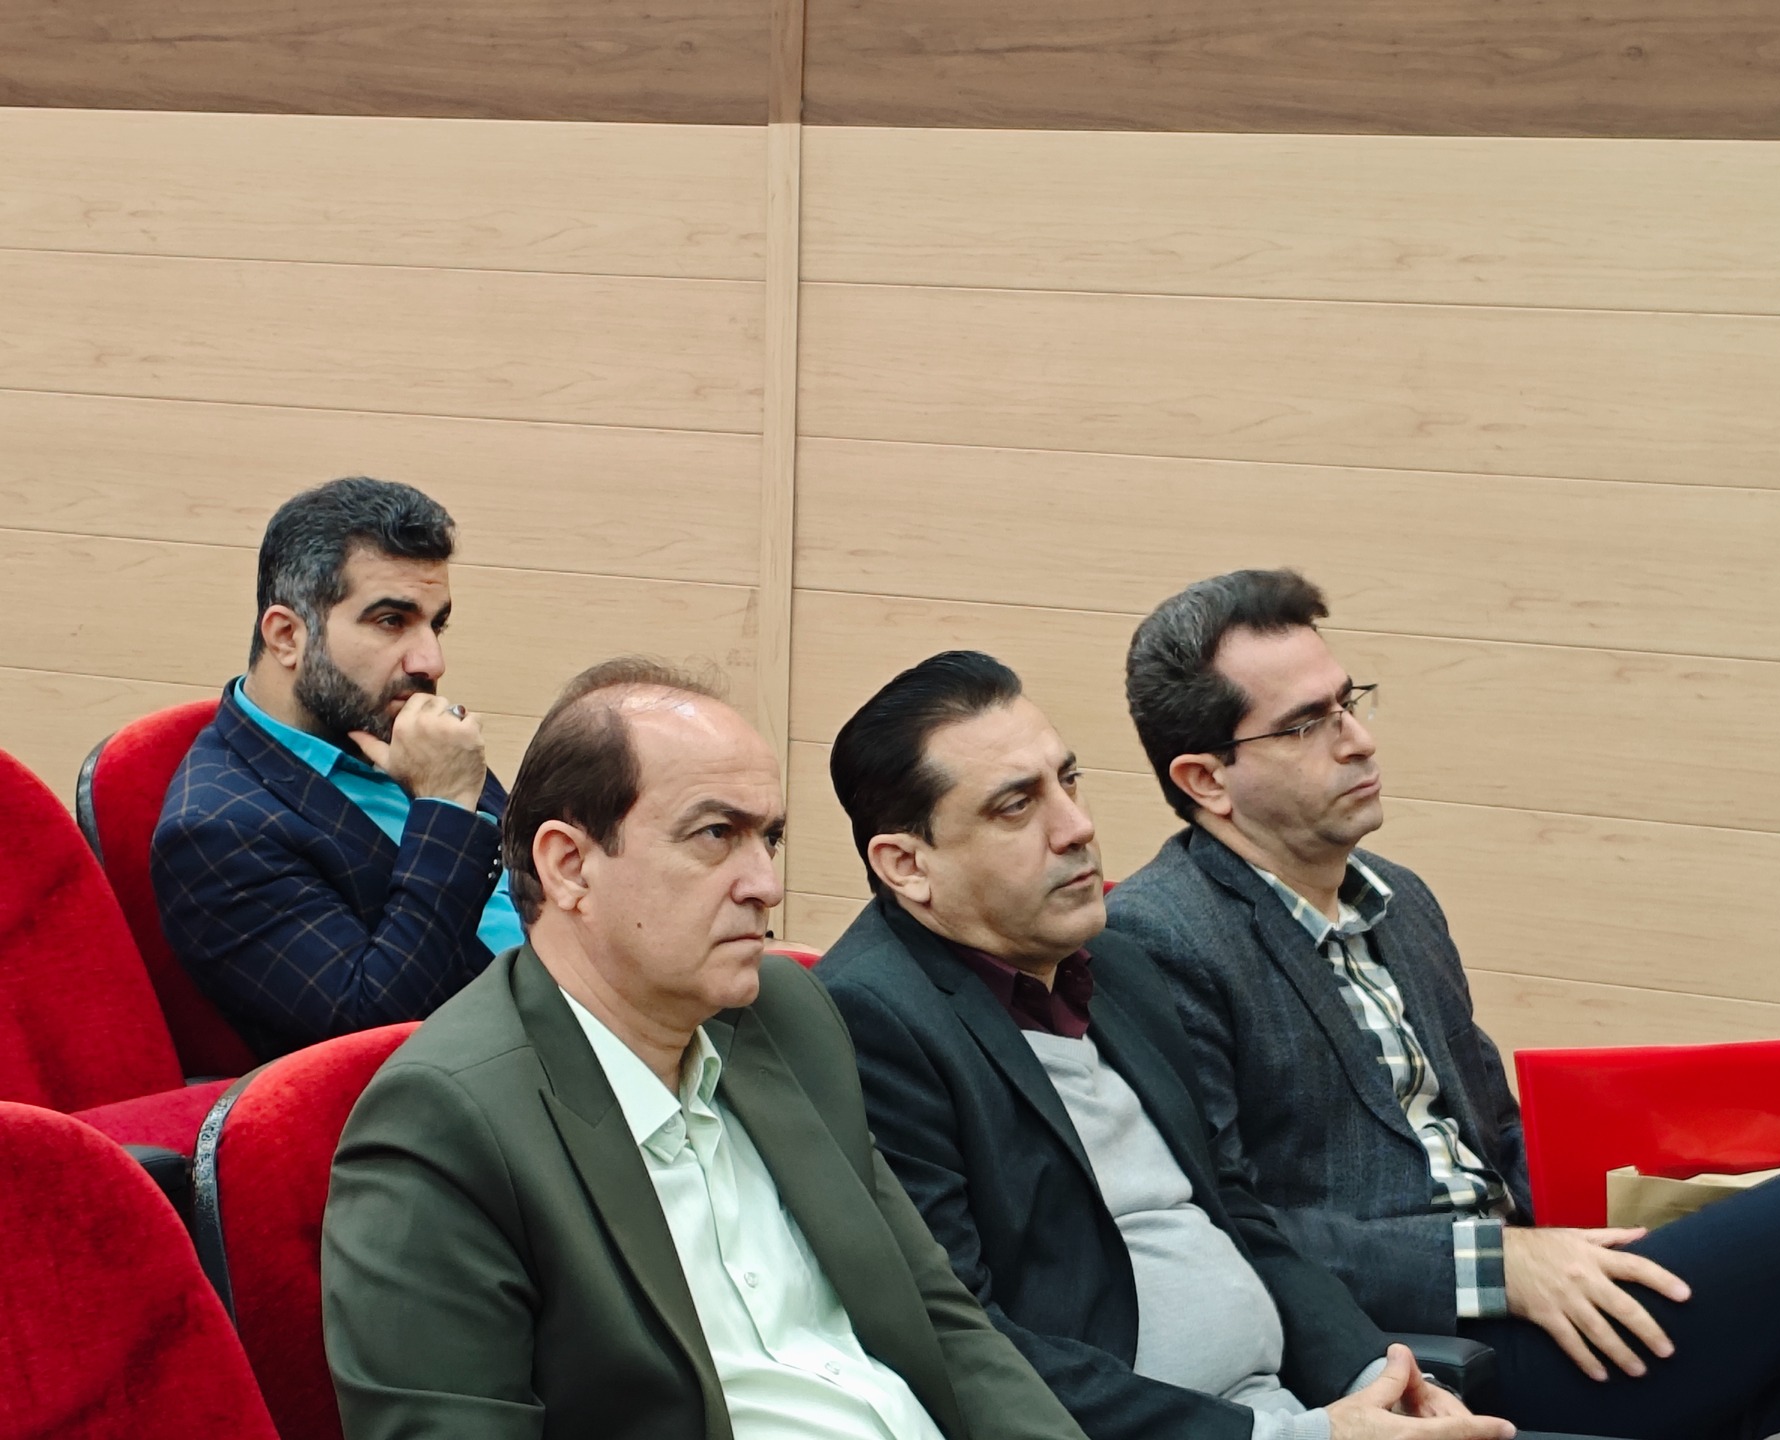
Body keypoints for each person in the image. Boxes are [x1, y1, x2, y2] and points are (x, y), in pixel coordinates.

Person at [1107, 568, 1780, 1440]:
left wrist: (1629, 1213)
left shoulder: (1398, 898)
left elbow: (1493, 1132)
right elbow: (1229, 1224)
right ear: (1206, 778)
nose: (1358, 742)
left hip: (1546, 1294)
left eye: (1350, 703)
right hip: (1433, 1354)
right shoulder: (1158, 938)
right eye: (1308, 725)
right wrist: (1493, 1265)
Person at [321, 657, 1090, 1440]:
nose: (766, 885)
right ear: (570, 865)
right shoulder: (443, 1124)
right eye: (716, 835)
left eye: (769, 839)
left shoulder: (786, 1014)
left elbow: (940, 1319)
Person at [816, 651, 1521, 1440]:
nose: (1076, 826)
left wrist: (1378, 1378)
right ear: (907, 865)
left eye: (1068, 781)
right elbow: (969, 1343)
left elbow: (1236, 1212)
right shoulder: (873, 1020)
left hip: (1293, 1409)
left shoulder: (1115, 964)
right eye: (1017, 806)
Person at [153, 477, 520, 1058]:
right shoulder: (216, 831)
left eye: (436, 624)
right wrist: (445, 807)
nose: (431, 661)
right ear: (287, 636)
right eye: (391, 621)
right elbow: (371, 1027)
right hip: (488, 1072)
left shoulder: (392, 724)